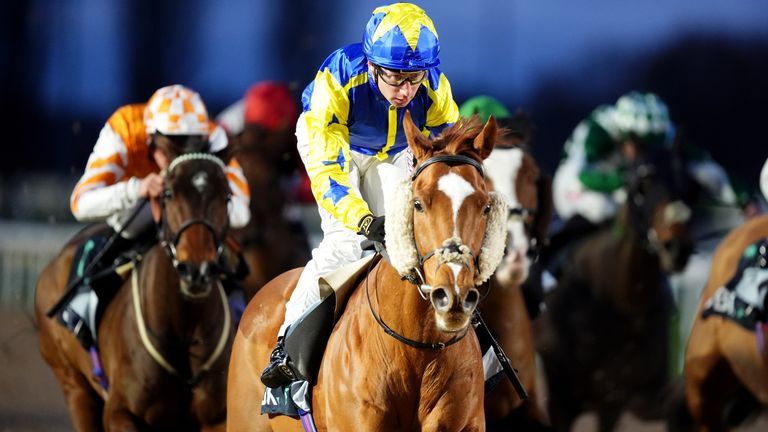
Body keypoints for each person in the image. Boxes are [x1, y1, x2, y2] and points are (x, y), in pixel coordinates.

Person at [260, 2, 460, 388]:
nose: (406, 91)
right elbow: (332, 177)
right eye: (396, 78)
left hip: (391, 151)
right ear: (372, 66)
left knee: (412, 239)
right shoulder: (336, 82)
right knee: (348, 242)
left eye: (414, 78)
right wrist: (366, 221)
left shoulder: (433, 87)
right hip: (335, 147)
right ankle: (287, 348)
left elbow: (449, 153)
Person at [59, 84, 251, 348]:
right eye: (174, 146)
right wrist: (136, 189)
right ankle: (84, 310)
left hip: (190, 218)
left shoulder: (213, 135)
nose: (182, 154)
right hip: (134, 213)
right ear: (150, 138)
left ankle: (238, 311)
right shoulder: (124, 129)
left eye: (191, 145)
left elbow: (240, 212)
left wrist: (202, 204)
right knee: (128, 229)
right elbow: (80, 203)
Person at [549, 91, 739, 269]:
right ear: (624, 132)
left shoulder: (661, 130)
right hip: (577, 186)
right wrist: (622, 180)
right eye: (637, 143)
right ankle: (556, 263)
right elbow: (581, 176)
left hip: (622, 183)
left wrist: (743, 197)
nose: (641, 152)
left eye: (648, 145)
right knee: (602, 207)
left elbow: (702, 164)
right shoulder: (598, 131)